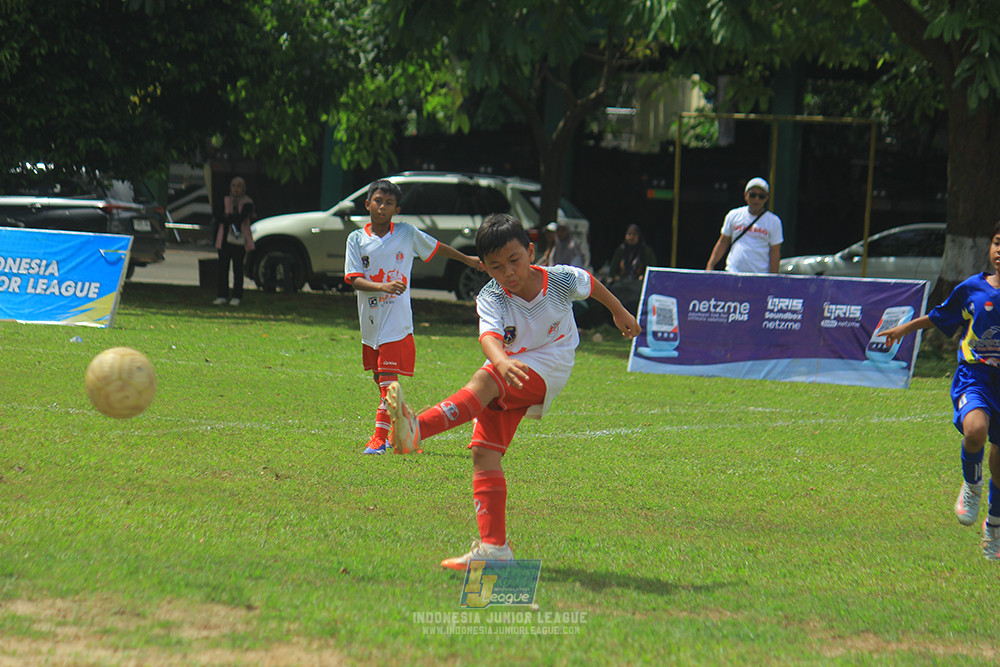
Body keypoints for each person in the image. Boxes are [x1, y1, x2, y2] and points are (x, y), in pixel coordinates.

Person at [384, 212, 641, 569]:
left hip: (551, 363)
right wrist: (501, 361)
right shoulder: (491, 296)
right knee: (484, 453)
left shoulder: (561, 279)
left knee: (486, 381)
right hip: (512, 365)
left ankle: (417, 430)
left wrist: (619, 312)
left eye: (515, 261)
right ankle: (495, 549)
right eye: (496, 267)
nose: (508, 273)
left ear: (531, 252)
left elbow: (591, 283)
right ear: (485, 269)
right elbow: (487, 336)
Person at [879, 220, 1000, 561]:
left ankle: (994, 527)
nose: (999, 250)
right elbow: (939, 316)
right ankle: (972, 485)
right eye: (996, 242)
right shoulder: (973, 289)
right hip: (974, 375)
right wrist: (904, 328)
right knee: (976, 429)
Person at [344, 179, 481, 455]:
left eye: (389, 203)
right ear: (367, 204)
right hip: (370, 323)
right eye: (378, 201)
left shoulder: (406, 234)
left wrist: (467, 259)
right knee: (380, 381)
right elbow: (353, 279)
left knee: (388, 382)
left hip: (396, 322)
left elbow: (437, 246)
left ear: (397, 209)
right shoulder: (356, 239)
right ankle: (403, 421)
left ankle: (379, 439)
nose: (382, 207)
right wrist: (383, 286)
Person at [705, 177, 783, 274]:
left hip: (759, 276)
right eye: (753, 195)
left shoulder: (774, 221)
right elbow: (723, 243)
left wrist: (773, 278)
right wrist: (710, 266)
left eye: (761, 196)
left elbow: (775, 252)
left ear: (766, 198)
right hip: (733, 273)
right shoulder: (733, 215)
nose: (756, 199)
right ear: (746, 196)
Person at [213, 176, 255, 306]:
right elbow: (219, 216)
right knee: (223, 268)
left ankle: (237, 296)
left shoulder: (247, 202)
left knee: (238, 269)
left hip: (239, 240)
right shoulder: (225, 200)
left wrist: (228, 217)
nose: (236, 189)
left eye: (239, 186)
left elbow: (241, 218)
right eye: (234, 186)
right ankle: (222, 295)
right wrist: (230, 218)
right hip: (224, 239)